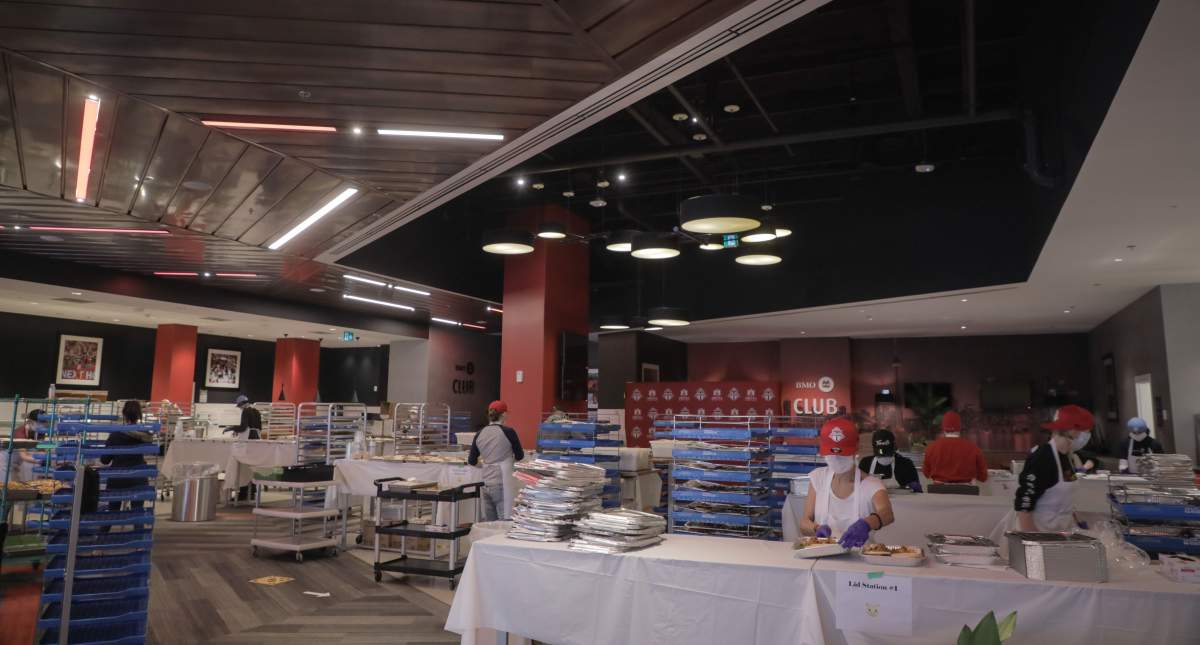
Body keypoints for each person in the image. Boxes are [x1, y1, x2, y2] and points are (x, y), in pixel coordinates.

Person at [800, 418, 896, 548]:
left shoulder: (871, 485)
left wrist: (867, 523)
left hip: (860, 559)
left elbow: (887, 513)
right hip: (822, 555)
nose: (836, 460)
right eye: (831, 455)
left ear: (855, 452)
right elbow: (804, 522)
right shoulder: (818, 478)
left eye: (842, 455)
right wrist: (815, 528)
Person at [1015, 404, 1093, 532]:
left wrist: (1077, 520)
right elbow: (1024, 502)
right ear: (1072, 430)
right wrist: (1031, 537)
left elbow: (1066, 494)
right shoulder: (1043, 457)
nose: (1086, 436)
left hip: (1059, 531)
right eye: (1086, 431)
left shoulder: (1067, 457)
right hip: (1039, 529)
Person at [467, 401, 524, 521]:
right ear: (503, 415)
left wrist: (486, 464)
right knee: (505, 519)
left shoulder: (479, 434)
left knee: (490, 522)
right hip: (502, 481)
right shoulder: (509, 432)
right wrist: (508, 462)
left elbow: (472, 461)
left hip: (485, 482)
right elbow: (520, 455)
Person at [101, 401, 154, 522]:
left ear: (124, 414)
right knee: (137, 512)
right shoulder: (145, 435)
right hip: (138, 478)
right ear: (139, 415)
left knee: (112, 511)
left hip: (117, 479)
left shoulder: (115, 435)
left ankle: (103, 534)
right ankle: (138, 533)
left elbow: (104, 460)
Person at [922, 411, 988, 493]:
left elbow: (926, 473)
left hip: (938, 495)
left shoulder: (931, 448)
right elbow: (983, 477)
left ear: (943, 428)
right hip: (967, 495)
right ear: (960, 427)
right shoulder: (974, 448)